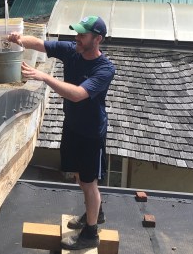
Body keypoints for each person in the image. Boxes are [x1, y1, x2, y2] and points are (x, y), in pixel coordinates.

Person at [8, 15, 115, 250]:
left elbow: (77, 94)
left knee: (89, 182)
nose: (77, 38)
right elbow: (40, 44)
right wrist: (19, 39)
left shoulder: (104, 69)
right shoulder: (72, 50)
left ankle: (90, 233)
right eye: (77, 33)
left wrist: (45, 77)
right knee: (78, 175)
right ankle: (95, 213)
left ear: (97, 39)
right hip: (73, 126)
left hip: (91, 133)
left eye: (82, 35)